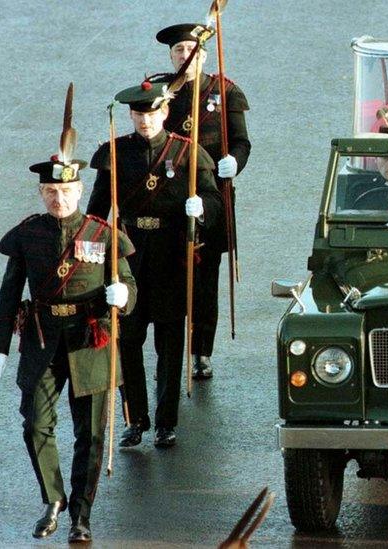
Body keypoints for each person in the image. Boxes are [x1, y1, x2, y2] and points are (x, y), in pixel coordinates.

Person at [0, 154, 137, 543]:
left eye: (66, 191)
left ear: (80, 191)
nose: (59, 199)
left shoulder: (102, 233)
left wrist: (123, 296)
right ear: (41, 194)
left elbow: (130, 286)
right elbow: (9, 295)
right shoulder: (28, 235)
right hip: (42, 340)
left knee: (89, 434)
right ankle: (53, 498)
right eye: (51, 192)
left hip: (90, 341)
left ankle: (80, 515)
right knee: (36, 423)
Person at [86, 78, 221, 448]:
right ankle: (135, 420)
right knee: (128, 340)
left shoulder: (186, 153)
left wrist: (202, 208)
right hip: (128, 254)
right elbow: (98, 212)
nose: (145, 121)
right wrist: (91, 255)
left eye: (152, 113)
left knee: (169, 342)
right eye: (137, 114)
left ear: (165, 113)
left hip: (170, 255)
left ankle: (165, 421)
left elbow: (214, 199)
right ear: (131, 116)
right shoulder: (115, 153)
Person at [155, 23, 252, 379]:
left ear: (204, 55)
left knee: (205, 278)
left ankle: (200, 352)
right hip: (167, 197)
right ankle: (168, 353)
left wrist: (234, 164)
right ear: (171, 56)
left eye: (191, 50)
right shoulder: (160, 91)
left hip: (211, 194)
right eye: (179, 50)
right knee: (165, 278)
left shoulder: (224, 92)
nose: (185, 56)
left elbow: (242, 142)